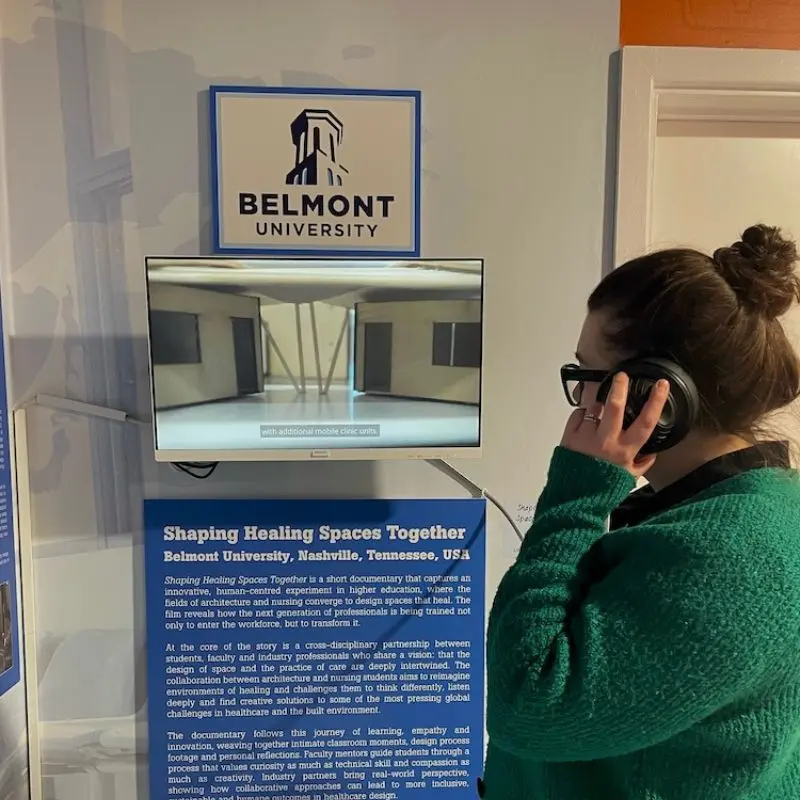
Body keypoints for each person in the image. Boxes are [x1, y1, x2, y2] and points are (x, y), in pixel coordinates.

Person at [480, 224, 800, 800]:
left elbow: (525, 706)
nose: (581, 402)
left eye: (588, 377)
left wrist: (575, 496)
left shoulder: (730, 552)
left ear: (660, 395)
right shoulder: (735, 514)